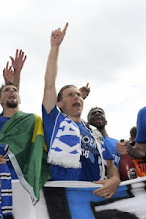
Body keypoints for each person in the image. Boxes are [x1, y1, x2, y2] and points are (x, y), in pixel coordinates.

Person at [42, 23, 120, 199]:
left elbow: (110, 165)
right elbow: (49, 84)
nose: (76, 97)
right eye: (70, 95)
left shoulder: (94, 133)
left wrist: (114, 179)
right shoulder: (55, 122)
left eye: (78, 94)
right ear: (59, 104)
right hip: (65, 201)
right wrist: (55, 47)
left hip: (96, 199)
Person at [0, 49, 49, 203]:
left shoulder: (33, 121)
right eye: (6, 90)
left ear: (20, 98)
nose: (12, 92)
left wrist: (17, 73)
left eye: (15, 90)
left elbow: (40, 151)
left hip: (23, 184)